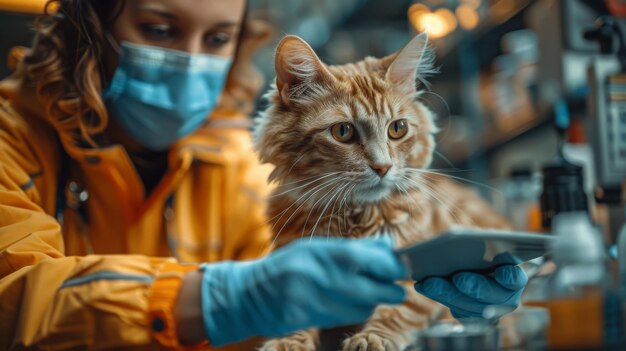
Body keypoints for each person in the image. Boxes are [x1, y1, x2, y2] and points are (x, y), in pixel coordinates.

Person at [0, 0, 527, 349]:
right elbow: (11, 297)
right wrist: (210, 299)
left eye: (218, 38)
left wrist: (447, 314)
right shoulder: (12, 137)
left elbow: (306, 315)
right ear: (90, 23)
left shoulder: (236, 161)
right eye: (160, 29)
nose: (190, 59)